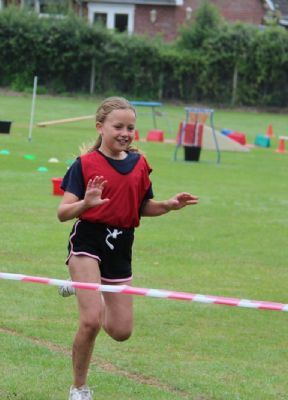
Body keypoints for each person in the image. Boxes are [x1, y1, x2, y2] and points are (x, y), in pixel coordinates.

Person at [57, 97, 198, 400]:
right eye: (118, 126)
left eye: (130, 128)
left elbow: (142, 206)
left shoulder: (140, 164)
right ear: (100, 127)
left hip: (122, 245)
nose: (125, 133)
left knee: (121, 331)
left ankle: (83, 287)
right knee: (91, 320)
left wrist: (168, 205)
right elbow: (63, 212)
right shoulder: (84, 165)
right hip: (89, 240)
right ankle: (79, 388)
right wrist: (86, 203)